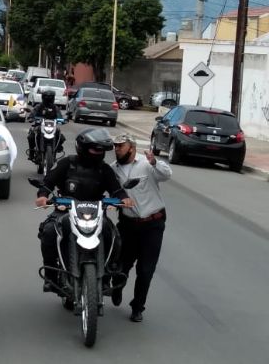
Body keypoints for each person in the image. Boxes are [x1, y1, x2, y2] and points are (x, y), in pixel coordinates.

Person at [34, 128, 134, 292]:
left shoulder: (105, 169)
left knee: (113, 236)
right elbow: (48, 182)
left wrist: (124, 198)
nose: (98, 153)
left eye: (101, 150)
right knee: (49, 231)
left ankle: (107, 274)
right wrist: (43, 195)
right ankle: (50, 276)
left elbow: (116, 190)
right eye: (95, 149)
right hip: (65, 210)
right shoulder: (67, 163)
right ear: (82, 147)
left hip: (95, 213)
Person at [110, 133, 172, 322]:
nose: (117, 149)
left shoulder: (146, 163)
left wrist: (155, 162)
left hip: (152, 224)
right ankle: (118, 286)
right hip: (128, 225)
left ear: (132, 147)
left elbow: (166, 174)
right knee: (121, 265)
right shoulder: (113, 169)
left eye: (121, 145)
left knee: (146, 270)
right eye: (115, 146)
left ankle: (138, 306)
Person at [27, 90, 65, 161]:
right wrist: (31, 118)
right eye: (47, 97)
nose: (49, 99)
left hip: (52, 127)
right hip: (39, 126)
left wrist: (63, 120)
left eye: (50, 97)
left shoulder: (55, 108)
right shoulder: (38, 106)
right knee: (31, 136)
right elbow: (32, 114)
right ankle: (31, 153)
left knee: (61, 136)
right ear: (43, 98)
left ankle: (56, 150)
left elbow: (60, 117)